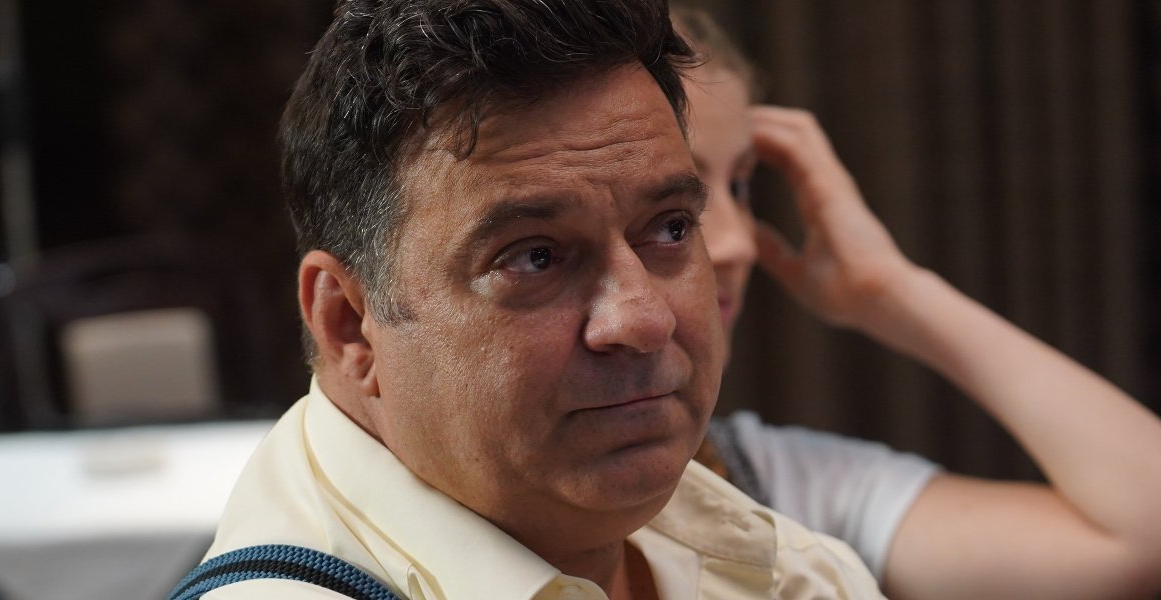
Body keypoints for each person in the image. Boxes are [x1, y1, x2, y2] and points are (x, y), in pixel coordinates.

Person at [188, 1, 886, 598]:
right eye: (536, 257)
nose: (642, 318)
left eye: (671, 228)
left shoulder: (792, 573)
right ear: (349, 325)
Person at [673, 7, 1161, 599]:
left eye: (742, 185)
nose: (739, 242)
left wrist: (892, 291)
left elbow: (1146, 537)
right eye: (677, 208)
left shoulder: (778, 482)